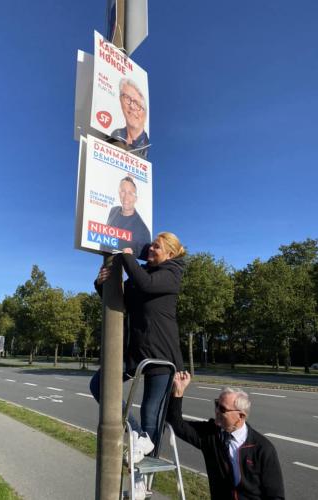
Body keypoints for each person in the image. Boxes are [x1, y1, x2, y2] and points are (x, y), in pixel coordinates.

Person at [91, 232, 186, 459]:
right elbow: (121, 303)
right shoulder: (141, 274)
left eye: (157, 247)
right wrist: (101, 284)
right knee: (99, 384)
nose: (151, 249)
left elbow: (146, 284)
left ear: (170, 254)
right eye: (151, 246)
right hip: (135, 351)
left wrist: (127, 256)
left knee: (151, 413)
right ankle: (135, 432)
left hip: (161, 354)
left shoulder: (171, 273)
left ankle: (145, 477)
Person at [167, 372, 285, 500]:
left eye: (222, 409)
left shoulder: (263, 448)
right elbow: (176, 424)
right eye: (216, 404)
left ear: (241, 416)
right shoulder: (210, 434)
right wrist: (178, 391)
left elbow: (275, 496)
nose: (216, 410)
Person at [99, 176, 151, 259]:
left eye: (130, 193)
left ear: (135, 198)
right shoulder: (113, 211)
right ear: (119, 193)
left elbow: (143, 257)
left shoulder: (144, 231)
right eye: (123, 191)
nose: (126, 197)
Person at [111, 78, 150, 159]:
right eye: (127, 98)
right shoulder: (116, 134)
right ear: (120, 101)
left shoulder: (145, 147)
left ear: (145, 114)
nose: (132, 106)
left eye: (137, 104)